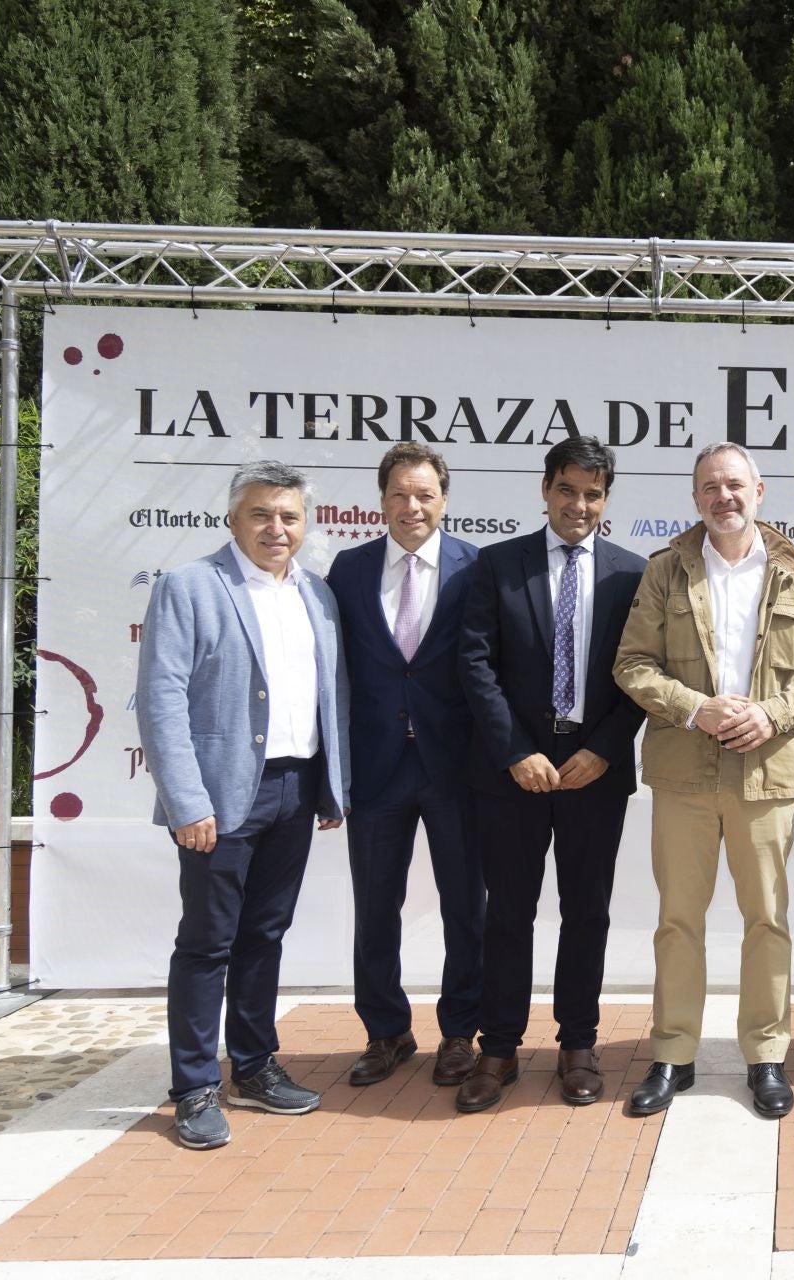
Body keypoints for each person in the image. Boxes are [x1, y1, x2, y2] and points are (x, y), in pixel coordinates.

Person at [613, 442, 794, 1120]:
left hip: (766, 773)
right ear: (695, 498)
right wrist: (695, 708)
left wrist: (770, 714)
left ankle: (765, 1056)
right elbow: (633, 665)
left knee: (766, 919)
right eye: (710, 486)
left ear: (759, 491)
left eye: (735, 485)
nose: (724, 497)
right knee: (678, 920)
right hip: (684, 771)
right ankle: (673, 1055)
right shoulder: (666, 572)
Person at [137, 460, 350, 1151]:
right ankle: (195, 1087)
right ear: (232, 519)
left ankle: (254, 1066)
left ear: (305, 525)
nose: (275, 528)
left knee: (264, 937)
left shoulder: (317, 596)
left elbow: (330, 697)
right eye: (261, 514)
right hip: (218, 801)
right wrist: (186, 801)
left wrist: (329, 787)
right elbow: (162, 700)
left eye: (289, 516)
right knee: (207, 944)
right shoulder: (190, 588)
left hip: (294, 789)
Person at [453, 437, 647, 1112]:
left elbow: (643, 674)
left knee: (586, 912)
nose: (579, 505)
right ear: (545, 489)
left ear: (606, 499)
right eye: (568, 490)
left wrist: (606, 749)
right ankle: (499, 1048)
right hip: (514, 774)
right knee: (507, 913)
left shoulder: (632, 573)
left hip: (595, 772)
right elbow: (474, 664)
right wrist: (514, 750)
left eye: (593, 493)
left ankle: (578, 1044)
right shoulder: (497, 565)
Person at [326, 443, 483, 1093]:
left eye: (424, 495)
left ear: (444, 500)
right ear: (381, 500)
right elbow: (333, 674)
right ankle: (385, 1031)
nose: (411, 506)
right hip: (377, 769)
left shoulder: (477, 568)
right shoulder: (349, 570)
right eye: (399, 494)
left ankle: (459, 1032)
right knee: (376, 907)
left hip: (457, 768)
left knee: (464, 907)